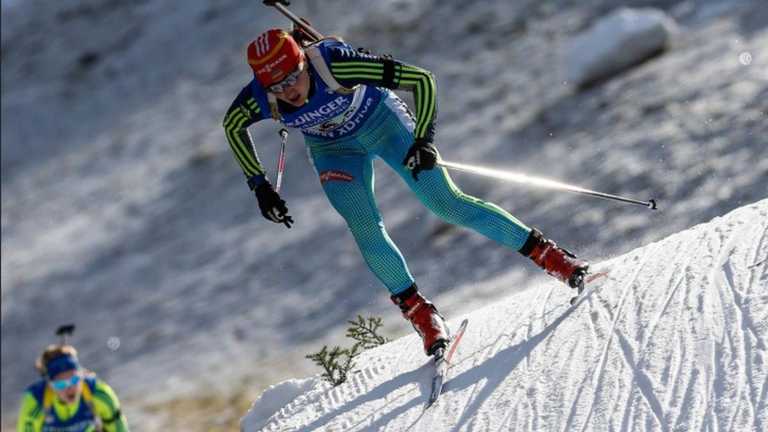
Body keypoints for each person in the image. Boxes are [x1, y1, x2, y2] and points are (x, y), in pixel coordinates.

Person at [222, 28, 589, 356]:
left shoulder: (337, 65)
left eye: (292, 78)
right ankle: (421, 314)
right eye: (276, 87)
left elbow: (421, 80)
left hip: (383, 123)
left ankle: (550, 256)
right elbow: (232, 126)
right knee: (364, 228)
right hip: (334, 151)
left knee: (446, 204)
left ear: (303, 62)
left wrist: (424, 140)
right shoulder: (259, 98)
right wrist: (260, 186)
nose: (288, 91)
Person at [16, 344, 129, 432]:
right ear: (49, 384)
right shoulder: (35, 402)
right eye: (60, 384)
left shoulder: (99, 394)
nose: (70, 388)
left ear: (82, 374)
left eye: (74, 380)